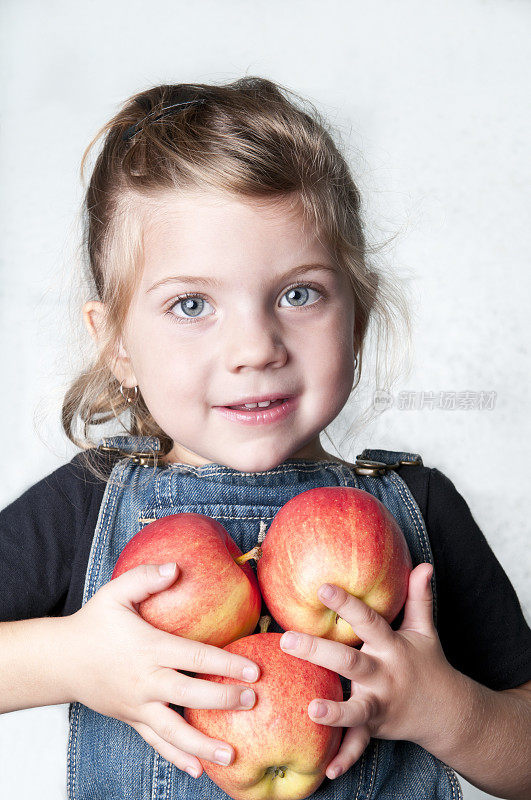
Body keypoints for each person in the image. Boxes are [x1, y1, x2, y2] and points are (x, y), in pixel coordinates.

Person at [1, 77, 530, 800]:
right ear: (117, 343)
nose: (256, 346)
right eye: (191, 304)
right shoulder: (84, 506)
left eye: (298, 294)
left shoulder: (418, 510)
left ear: (357, 317)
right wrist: (66, 659)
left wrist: (445, 712)